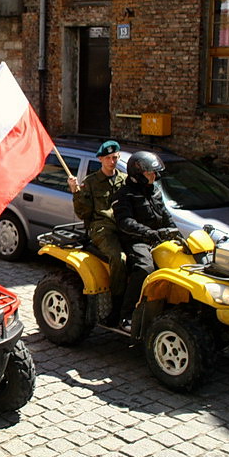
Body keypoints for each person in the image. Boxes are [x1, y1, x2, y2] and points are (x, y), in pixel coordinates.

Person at [112, 151, 179, 331]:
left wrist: (176, 234)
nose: (154, 176)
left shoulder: (155, 191)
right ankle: (126, 315)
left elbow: (166, 216)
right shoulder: (124, 195)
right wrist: (149, 233)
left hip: (157, 239)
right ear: (137, 175)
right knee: (145, 268)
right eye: (149, 173)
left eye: (155, 173)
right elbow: (125, 222)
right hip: (136, 241)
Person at [67, 140, 128, 323]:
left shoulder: (124, 180)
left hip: (124, 226)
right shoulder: (91, 182)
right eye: (108, 158)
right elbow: (83, 213)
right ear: (101, 159)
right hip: (101, 228)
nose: (112, 161)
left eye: (115, 157)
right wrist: (76, 192)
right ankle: (116, 307)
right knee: (119, 259)